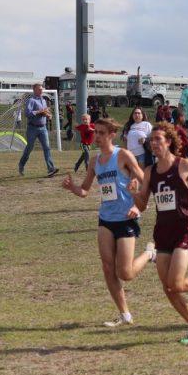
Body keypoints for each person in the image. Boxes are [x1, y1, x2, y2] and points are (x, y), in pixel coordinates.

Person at [62, 117, 155, 326]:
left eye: (102, 133)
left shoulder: (123, 155)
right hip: (106, 218)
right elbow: (85, 191)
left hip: (126, 218)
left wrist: (137, 205)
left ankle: (150, 254)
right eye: (96, 132)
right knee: (107, 266)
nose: (97, 137)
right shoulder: (94, 161)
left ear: (111, 135)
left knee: (126, 273)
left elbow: (145, 182)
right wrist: (72, 188)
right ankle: (125, 314)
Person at [137, 123, 188, 344]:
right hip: (162, 233)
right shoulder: (150, 172)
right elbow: (142, 204)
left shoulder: (184, 166)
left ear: (169, 142)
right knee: (169, 287)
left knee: (177, 282)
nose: (153, 143)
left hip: (183, 230)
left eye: (158, 139)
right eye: (151, 140)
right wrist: (133, 193)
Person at [18, 84, 59, 177]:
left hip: (43, 128)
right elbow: (27, 114)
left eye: (42, 89)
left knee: (47, 148)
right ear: (34, 90)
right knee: (29, 149)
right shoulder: (31, 101)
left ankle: (50, 169)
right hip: (32, 128)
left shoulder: (44, 100)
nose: (41, 91)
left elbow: (45, 111)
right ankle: (21, 164)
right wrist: (38, 112)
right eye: (39, 89)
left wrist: (49, 115)